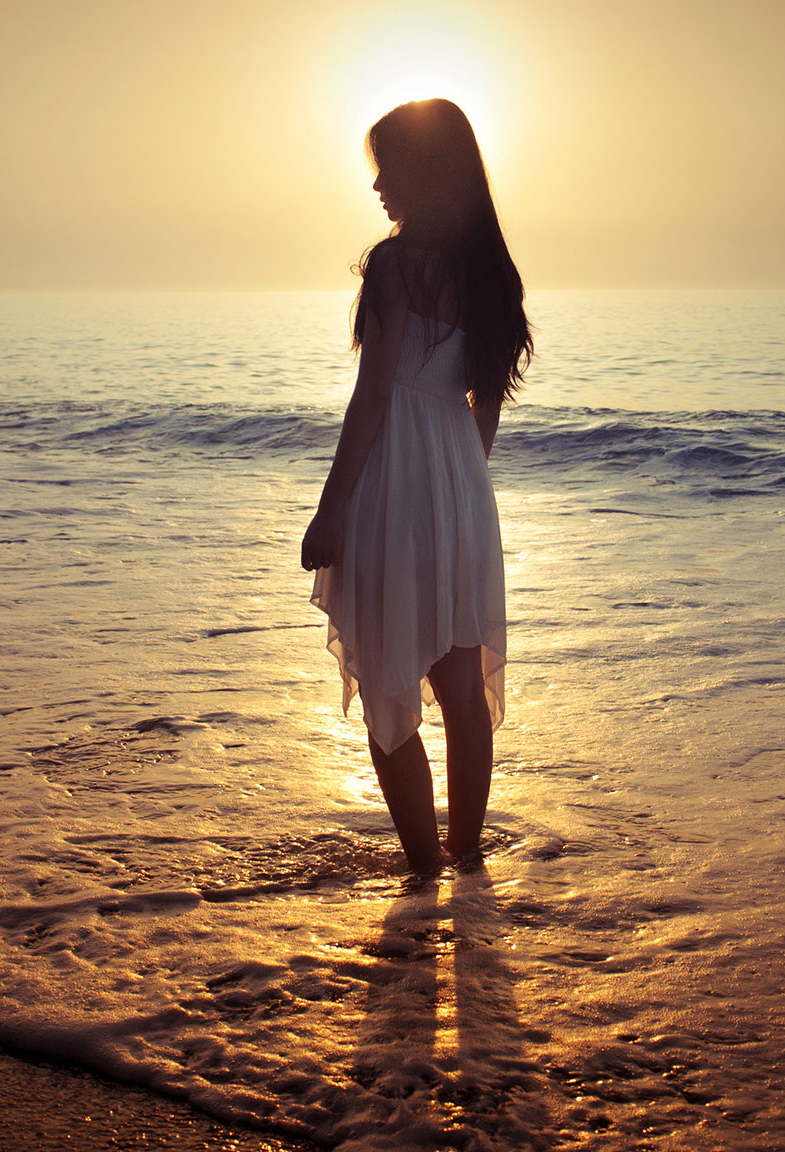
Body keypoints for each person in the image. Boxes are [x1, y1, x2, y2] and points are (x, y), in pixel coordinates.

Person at [301, 98, 532, 876]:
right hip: (463, 484)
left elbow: (373, 398)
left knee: (389, 689)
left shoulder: (395, 265)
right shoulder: (492, 273)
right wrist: (461, 488)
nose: (377, 189)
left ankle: (425, 875)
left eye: (387, 170)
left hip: (395, 483)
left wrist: (331, 511)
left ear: (424, 174)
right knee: (462, 694)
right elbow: (485, 409)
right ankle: (467, 868)